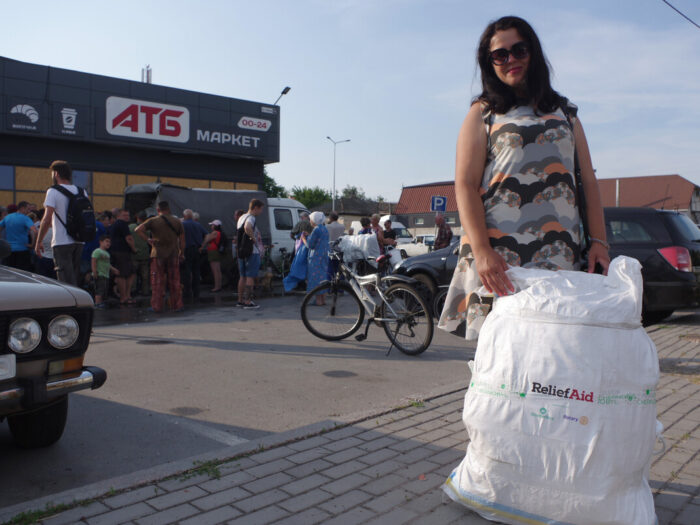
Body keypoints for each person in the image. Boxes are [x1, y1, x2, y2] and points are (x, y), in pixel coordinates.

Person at [440, 15, 610, 338]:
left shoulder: (565, 112)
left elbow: (588, 181)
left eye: (519, 50)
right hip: (501, 261)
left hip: (560, 257)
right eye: (499, 55)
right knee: (503, 360)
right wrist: (482, 251)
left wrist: (599, 242)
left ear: (533, 52)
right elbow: (464, 184)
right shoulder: (483, 113)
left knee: (557, 352)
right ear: (490, 64)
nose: (511, 60)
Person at [35, 161, 85, 286]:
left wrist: (39, 241)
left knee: (64, 279)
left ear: (56, 174)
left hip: (62, 241)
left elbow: (46, 219)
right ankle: (78, 302)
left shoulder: (53, 191)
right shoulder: (81, 191)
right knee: (75, 276)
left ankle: (69, 304)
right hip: (79, 240)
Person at [134, 201, 185, 313]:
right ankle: (177, 305)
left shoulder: (153, 221)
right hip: (173, 253)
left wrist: (148, 240)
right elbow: (182, 240)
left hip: (157, 254)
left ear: (158, 210)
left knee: (157, 281)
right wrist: (182, 253)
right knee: (175, 281)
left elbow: (138, 230)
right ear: (168, 209)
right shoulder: (177, 221)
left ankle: (156, 306)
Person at [236, 199, 265, 309]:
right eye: (261, 209)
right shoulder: (251, 218)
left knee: (242, 276)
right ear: (255, 208)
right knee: (250, 277)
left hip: (241, 250)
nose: (261, 212)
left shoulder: (241, 217)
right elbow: (247, 227)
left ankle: (240, 300)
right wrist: (254, 239)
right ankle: (248, 301)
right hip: (251, 251)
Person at [110, 209, 137, 305]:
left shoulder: (115, 224)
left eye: (128, 215)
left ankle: (127, 295)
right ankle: (124, 297)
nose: (127, 217)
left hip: (118, 252)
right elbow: (129, 238)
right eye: (124, 215)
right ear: (118, 216)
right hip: (121, 252)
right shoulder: (122, 224)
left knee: (131, 273)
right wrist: (134, 249)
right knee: (122, 274)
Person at [0, 201, 36, 271]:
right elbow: (35, 231)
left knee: (9, 272)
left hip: (8, 251)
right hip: (22, 250)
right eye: (28, 209)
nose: (29, 212)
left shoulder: (8, 217)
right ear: (22, 208)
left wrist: (1, 241)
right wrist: (32, 245)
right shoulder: (26, 219)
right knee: (23, 273)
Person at [181, 208, 208, 300]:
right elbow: (207, 235)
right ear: (192, 216)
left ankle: (187, 292)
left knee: (187, 271)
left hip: (187, 249)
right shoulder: (198, 224)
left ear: (184, 216)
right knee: (196, 271)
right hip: (197, 249)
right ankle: (196, 292)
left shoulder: (182, 225)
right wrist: (202, 246)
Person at [303, 211, 330, 305]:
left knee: (315, 278)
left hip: (316, 257)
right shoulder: (324, 229)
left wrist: (304, 239)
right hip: (324, 256)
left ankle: (318, 301)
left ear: (314, 220)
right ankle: (323, 300)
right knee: (323, 277)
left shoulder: (316, 230)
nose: (310, 220)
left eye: (311, 219)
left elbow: (310, 245)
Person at [91, 235, 119, 307]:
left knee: (104, 289)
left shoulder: (107, 253)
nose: (108, 243)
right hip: (99, 274)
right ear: (101, 242)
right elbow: (94, 261)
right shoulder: (97, 251)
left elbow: (108, 264)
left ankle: (101, 303)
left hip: (105, 274)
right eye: (106, 241)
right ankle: (97, 304)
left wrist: (113, 269)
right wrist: (94, 272)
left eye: (109, 242)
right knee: (99, 290)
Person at [130, 211, 150, 297]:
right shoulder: (147, 228)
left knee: (133, 274)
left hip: (134, 254)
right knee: (145, 276)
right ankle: (145, 291)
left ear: (137, 217)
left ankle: (133, 291)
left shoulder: (130, 227)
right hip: (145, 254)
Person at [201, 219, 225, 292]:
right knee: (218, 269)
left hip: (213, 251)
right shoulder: (220, 233)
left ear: (216, 226)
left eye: (212, 225)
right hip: (216, 251)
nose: (211, 226)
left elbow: (207, 240)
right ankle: (219, 285)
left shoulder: (215, 233)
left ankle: (217, 287)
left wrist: (202, 246)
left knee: (215, 270)